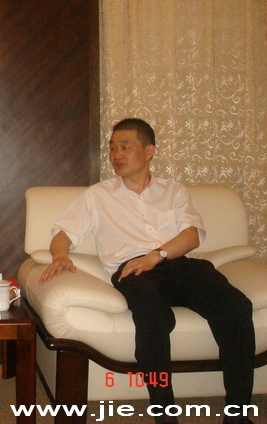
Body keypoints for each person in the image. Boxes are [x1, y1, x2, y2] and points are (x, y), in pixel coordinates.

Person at [39, 118, 255, 424]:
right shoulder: (98, 195)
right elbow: (64, 233)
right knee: (151, 316)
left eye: (125, 147)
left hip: (179, 264)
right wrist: (60, 255)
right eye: (113, 148)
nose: (116, 155)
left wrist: (157, 255)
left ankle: (238, 415)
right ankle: (165, 415)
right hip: (133, 270)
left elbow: (191, 235)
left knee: (236, 307)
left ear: (149, 151)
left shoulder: (174, 191)